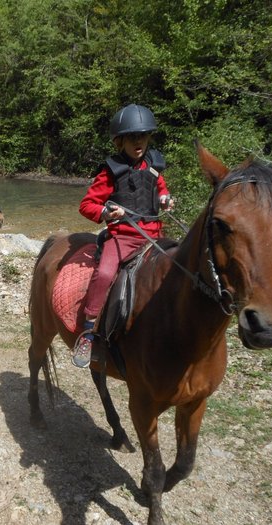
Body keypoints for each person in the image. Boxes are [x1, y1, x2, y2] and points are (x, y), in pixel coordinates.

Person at [73, 104, 174, 368]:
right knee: (105, 274)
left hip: (154, 236)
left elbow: (160, 188)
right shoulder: (111, 171)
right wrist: (106, 212)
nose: (138, 141)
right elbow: (86, 205)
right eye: (131, 137)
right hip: (122, 238)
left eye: (142, 135)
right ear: (121, 140)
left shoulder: (154, 165)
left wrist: (165, 199)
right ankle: (88, 331)